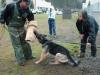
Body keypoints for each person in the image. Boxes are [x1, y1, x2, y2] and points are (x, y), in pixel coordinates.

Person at [0, 0, 36, 66]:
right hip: (12, 27)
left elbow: (31, 18)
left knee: (25, 42)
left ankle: (28, 56)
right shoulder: (11, 6)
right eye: (26, 4)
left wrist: (31, 27)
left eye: (28, 5)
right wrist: (2, 21)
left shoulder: (27, 10)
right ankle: (21, 61)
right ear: (22, 1)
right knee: (17, 44)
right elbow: (3, 13)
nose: (27, 6)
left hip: (21, 27)